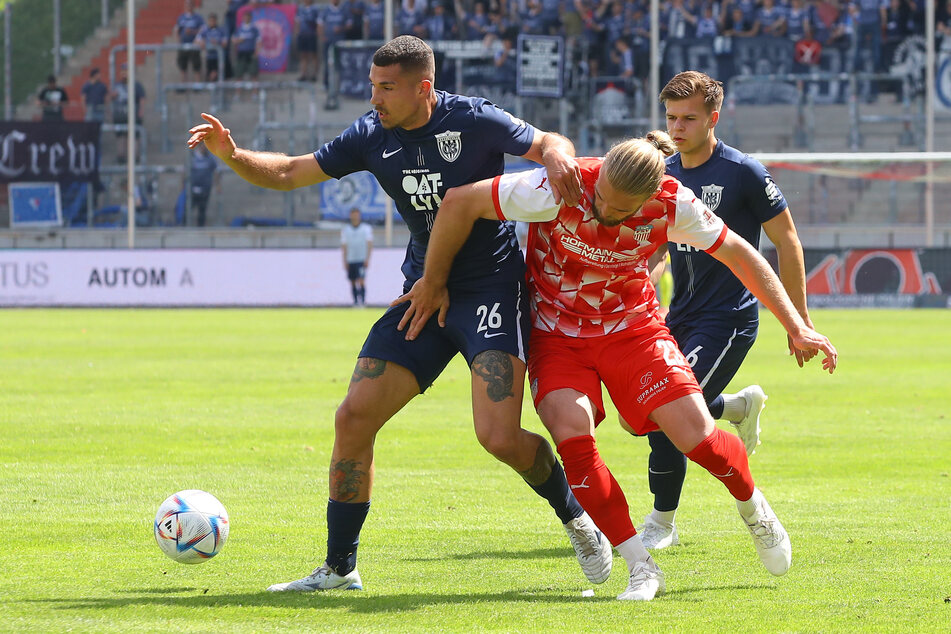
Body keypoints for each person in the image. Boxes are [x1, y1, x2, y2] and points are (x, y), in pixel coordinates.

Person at [186, 35, 611, 593]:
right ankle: (340, 568)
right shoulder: (370, 134)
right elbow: (290, 171)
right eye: (372, 86)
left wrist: (556, 151)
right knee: (352, 418)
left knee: (499, 439)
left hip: (490, 292)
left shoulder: (474, 119)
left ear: (423, 88)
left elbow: (548, 140)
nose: (376, 98)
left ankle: (577, 519)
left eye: (387, 88)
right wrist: (233, 155)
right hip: (422, 297)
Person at [397, 130, 837, 601]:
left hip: (634, 333)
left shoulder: (674, 204)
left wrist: (796, 325)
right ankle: (640, 567)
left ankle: (755, 510)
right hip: (559, 338)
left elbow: (742, 255)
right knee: (572, 435)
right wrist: (433, 280)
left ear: (651, 196)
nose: (603, 212)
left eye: (620, 210)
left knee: (696, 439)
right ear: (600, 172)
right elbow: (461, 200)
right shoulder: (560, 185)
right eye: (602, 198)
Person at [632, 70, 817, 551]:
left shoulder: (744, 173)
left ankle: (661, 522)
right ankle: (737, 406)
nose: (676, 128)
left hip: (729, 320)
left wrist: (800, 323)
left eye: (688, 118)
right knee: (662, 404)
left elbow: (787, 242)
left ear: (713, 118)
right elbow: (652, 247)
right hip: (678, 317)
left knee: (664, 414)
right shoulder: (663, 175)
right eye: (671, 118)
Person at [112, 64, 146, 163]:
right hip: (120, 115)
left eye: (126, 72)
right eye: (123, 72)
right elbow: (109, 97)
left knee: (134, 137)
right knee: (121, 137)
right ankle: (121, 157)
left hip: (133, 115)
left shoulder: (136, 85)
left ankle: (135, 158)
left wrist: (141, 111)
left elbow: (142, 99)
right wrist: (113, 95)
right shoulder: (117, 85)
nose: (124, 75)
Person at [341, 208, 373, 306]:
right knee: (353, 281)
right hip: (351, 259)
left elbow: (369, 244)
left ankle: (362, 301)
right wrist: (344, 260)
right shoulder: (346, 230)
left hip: (361, 259)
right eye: (353, 214)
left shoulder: (366, 228)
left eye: (356, 214)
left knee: (361, 280)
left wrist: (367, 258)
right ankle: (355, 302)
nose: (355, 216)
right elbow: (344, 246)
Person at [188, 144, 220, 226]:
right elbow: (185, 171)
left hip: (205, 188)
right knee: (188, 207)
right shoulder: (192, 157)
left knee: (202, 209)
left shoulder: (210, 158)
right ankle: (186, 225)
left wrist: (217, 185)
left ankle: (200, 226)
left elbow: (216, 171)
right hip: (193, 188)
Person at [176, 0, 205, 83]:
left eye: (190, 4)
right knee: (183, 67)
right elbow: (178, 30)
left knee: (196, 66)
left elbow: (202, 30)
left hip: (194, 45)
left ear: (193, 6)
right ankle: (183, 84)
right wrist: (179, 41)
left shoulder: (198, 18)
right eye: (187, 4)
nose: (189, 6)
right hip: (183, 45)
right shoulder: (181, 17)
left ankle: (197, 84)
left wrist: (192, 32)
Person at [197, 12, 229, 82]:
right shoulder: (205, 30)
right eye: (210, 21)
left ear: (216, 21)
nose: (212, 22)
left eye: (213, 21)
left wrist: (217, 43)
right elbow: (197, 40)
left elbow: (225, 43)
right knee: (209, 74)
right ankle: (212, 88)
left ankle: (218, 89)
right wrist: (202, 42)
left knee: (217, 74)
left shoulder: (221, 30)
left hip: (218, 57)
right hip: (209, 56)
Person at [232, 11, 261, 80]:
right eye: (245, 17)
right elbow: (233, 40)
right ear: (243, 18)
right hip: (241, 53)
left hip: (251, 52)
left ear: (250, 18)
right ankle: (238, 90)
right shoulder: (239, 29)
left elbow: (259, 41)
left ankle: (255, 90)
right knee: (239, 73)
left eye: (248, 17)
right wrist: (239, 40)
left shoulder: (254, 29)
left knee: (254, 73)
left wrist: (257, 52)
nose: (246, 19)